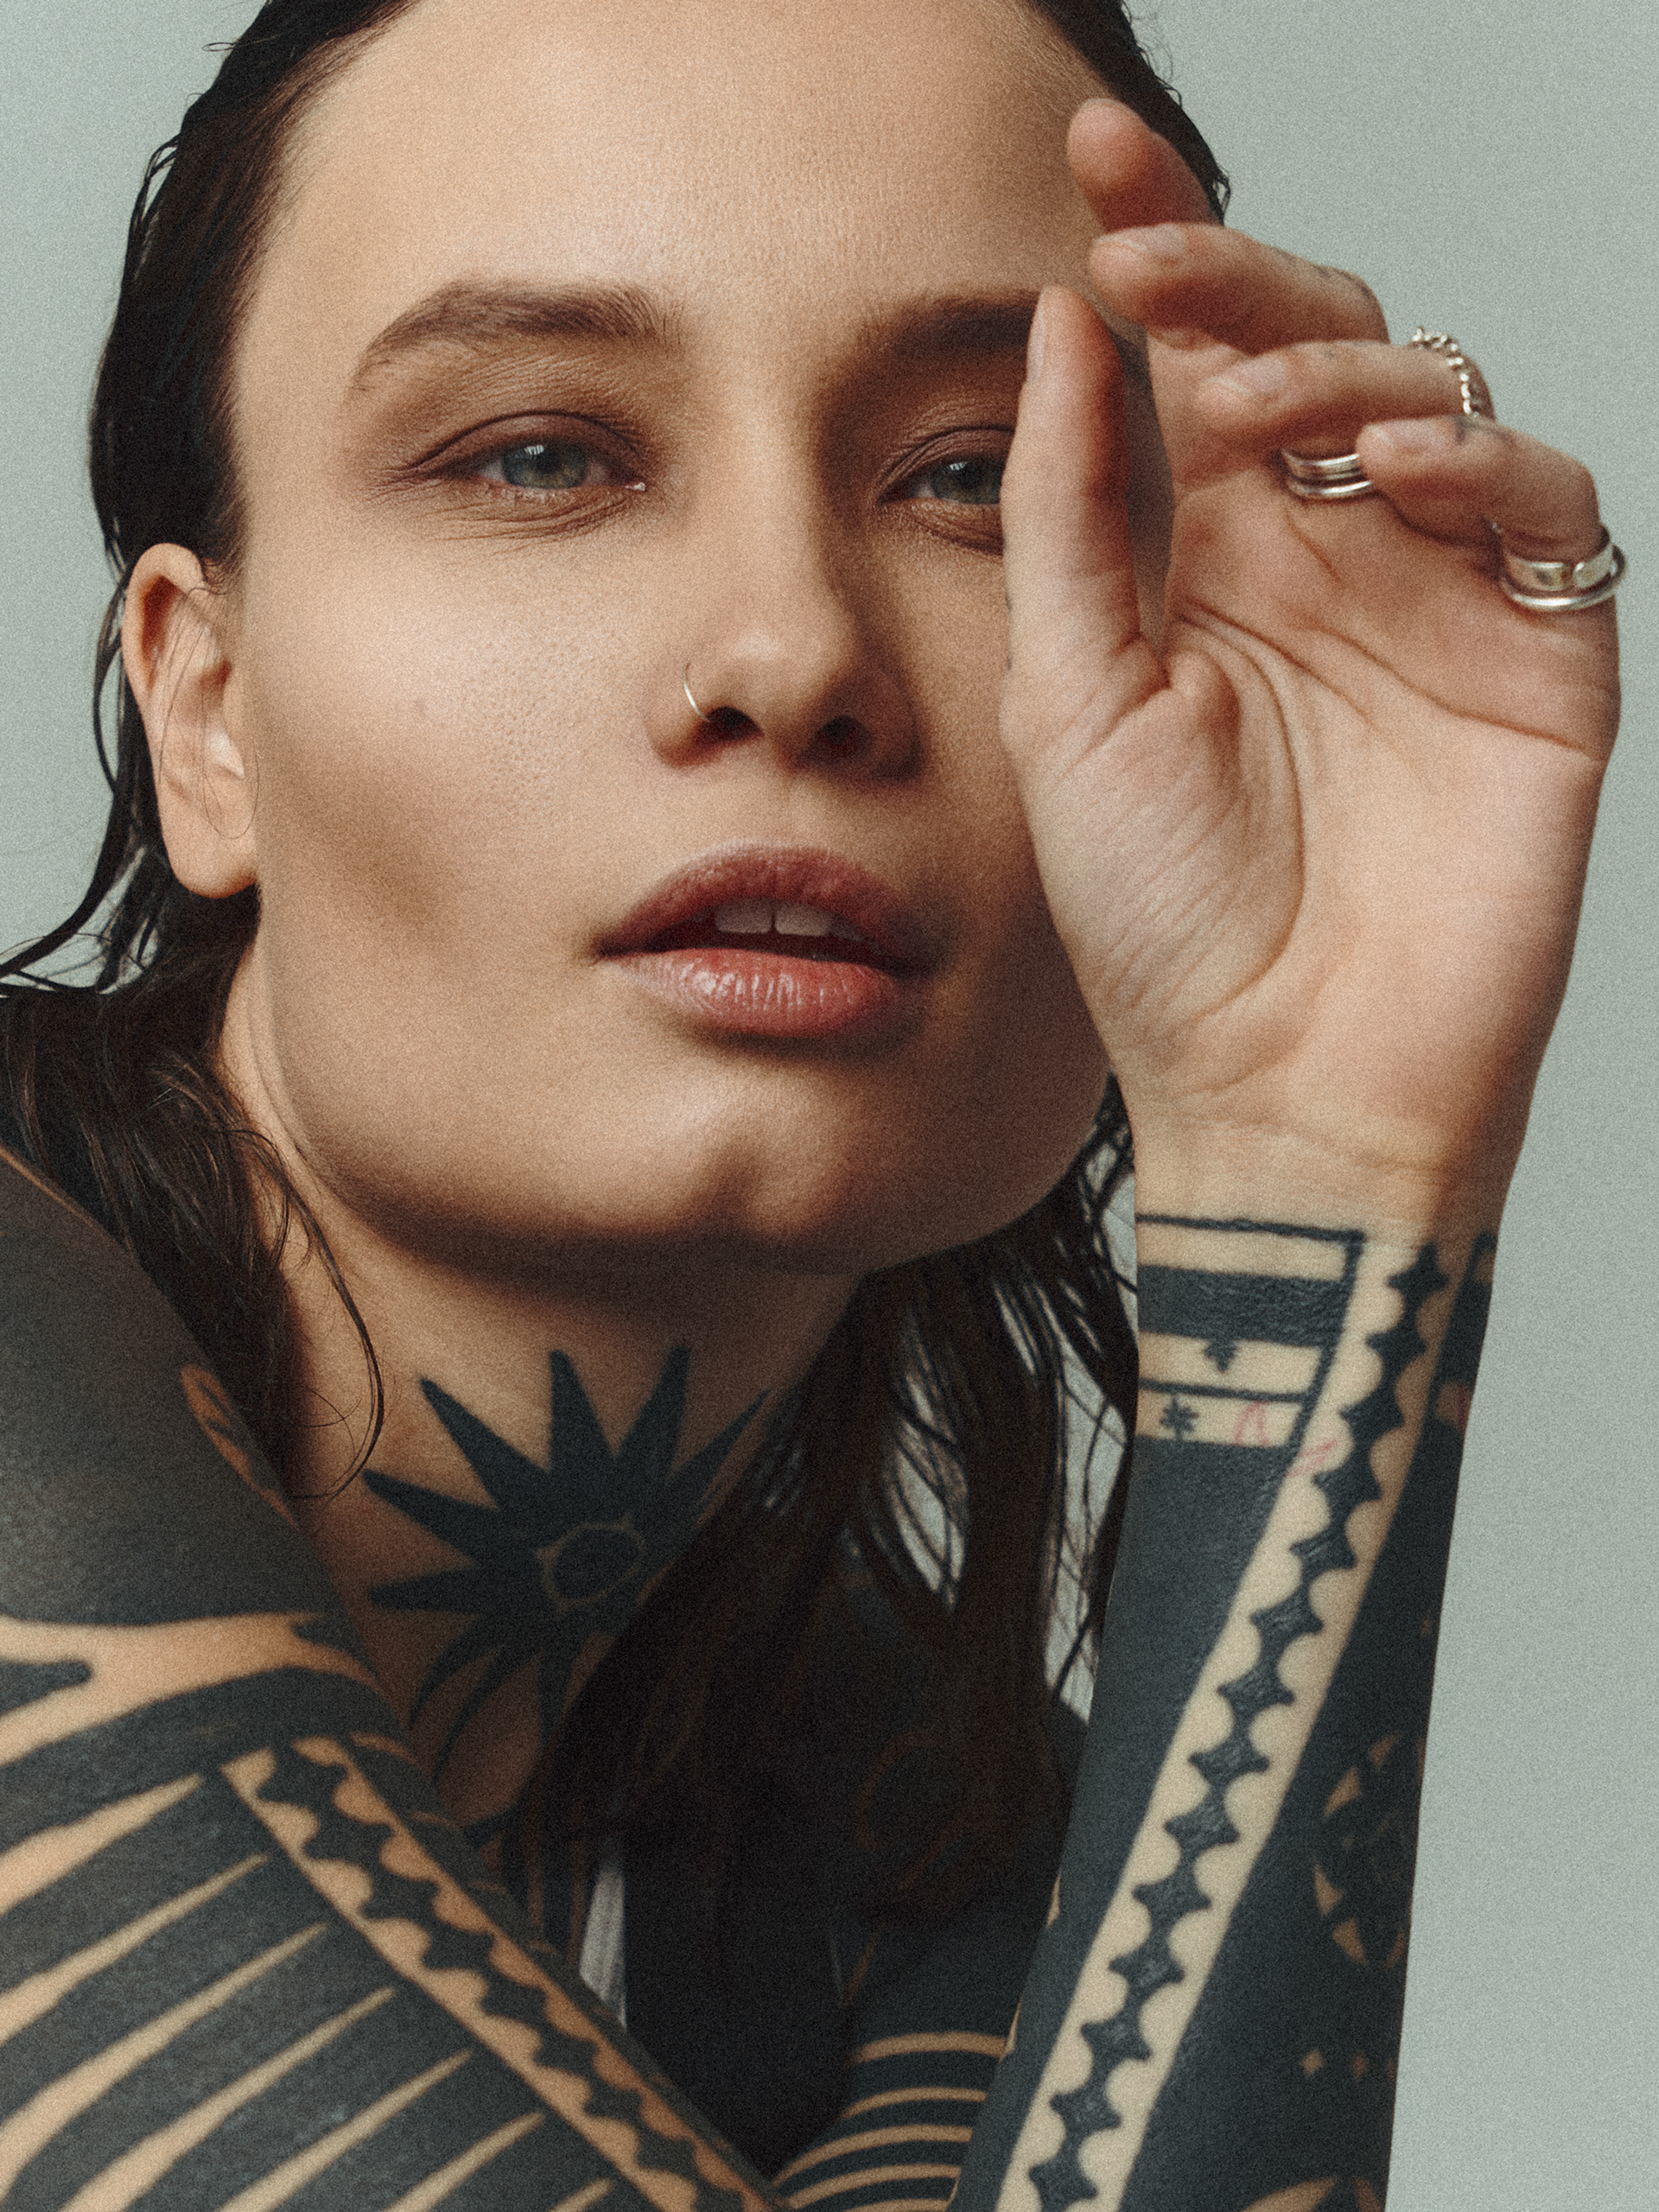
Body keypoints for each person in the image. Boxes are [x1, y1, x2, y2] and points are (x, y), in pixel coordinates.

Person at [0, 0, 1622, 2205]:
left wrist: (1339, 1162)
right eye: (542, 458)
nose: (793, 650)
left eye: (971, 478)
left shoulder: (914, 1839)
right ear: (204, 712)